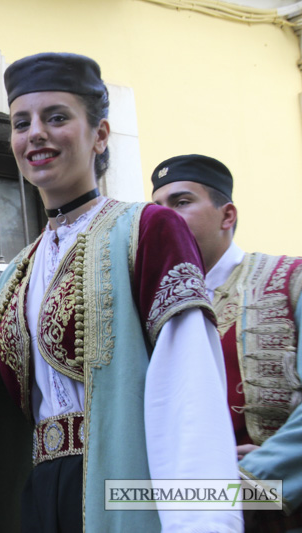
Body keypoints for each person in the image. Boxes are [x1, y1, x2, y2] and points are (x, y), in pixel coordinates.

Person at [0, 53, 241, 532]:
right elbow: (1, 410)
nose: (36, 133)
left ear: (100, 135)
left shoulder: (148, 229)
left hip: (118, 488)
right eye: (21, 122)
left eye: (56, 117)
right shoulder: (17, 272)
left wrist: (203, 522)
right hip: (38, 492)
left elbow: (187, 388)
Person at [152, 154, 302, 532]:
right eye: (157, 209)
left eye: (182, 202)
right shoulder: (155, 309)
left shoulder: (291, 280)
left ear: (227, 215)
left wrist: (259, 473)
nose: (166, 218)